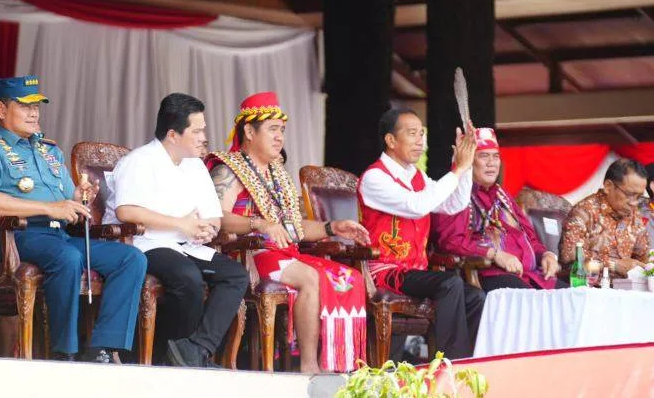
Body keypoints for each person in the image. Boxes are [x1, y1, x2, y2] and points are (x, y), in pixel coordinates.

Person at [0, 75, 146, 363]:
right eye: (25, 106)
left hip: (57, 236)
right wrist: (48, 208)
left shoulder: (48, 150)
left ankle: (102, 349)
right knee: (67, 258)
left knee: (130, 258)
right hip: (12, 236)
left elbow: (67, 197)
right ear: (1, 109)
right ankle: (64, 352)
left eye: (36, 106)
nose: (34, 113)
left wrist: (81, 196)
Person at [207, 91, 370, 373]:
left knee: (349, 277)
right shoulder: (228, 170)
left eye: (282, 130)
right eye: (272, 129)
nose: (280, 137)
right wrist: (259, 224)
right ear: (249, 131)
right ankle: (308, 366)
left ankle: (340, 365)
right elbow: (217, 218)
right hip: (250, 255)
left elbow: (295, 228)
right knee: (310, 277)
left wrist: (332, 227)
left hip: (285, 253)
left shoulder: (277, 173)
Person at [103, 93, 248, 369]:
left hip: (187, 244)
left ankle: (196, 350)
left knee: (235, 275)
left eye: (203, 129)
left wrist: (208, 230)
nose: (204, 137)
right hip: (146, 244)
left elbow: (213, 216)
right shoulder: (140, 160)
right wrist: (182, 224)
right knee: (187, 277)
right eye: (197, 131)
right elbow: (127, 212)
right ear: (172, 134)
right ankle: (166, 355)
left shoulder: (195, 165)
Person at [358, 108, 483, 360]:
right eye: (412, 133)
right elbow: (418, 206)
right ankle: (450, 364)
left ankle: (467, 361)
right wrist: (457, 171)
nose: (419, 141)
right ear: (391, 140)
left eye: (421, 134)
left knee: (475, 297)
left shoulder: (417, 176)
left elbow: (453, 204)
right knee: (450, 283)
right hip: (386, 271)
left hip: (414, 271)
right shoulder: (375, 177)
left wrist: (464, 166)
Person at [431, 128, 562, 291]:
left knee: (572, 294)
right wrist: (494, 254)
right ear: (468, 161)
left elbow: (530, 237)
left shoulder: (502, 195)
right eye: (484, 156)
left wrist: (546, 255)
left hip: (531, 275)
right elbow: (451, 242)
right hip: (490, 274)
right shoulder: (456, 195)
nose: (491, 163)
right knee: (531, 299)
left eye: (496, 156)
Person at [560, 158, 649, 277]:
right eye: (629, 195)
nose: (634, 203)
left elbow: (644, 258)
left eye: (639, 197)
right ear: (608, 186)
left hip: (626, 287)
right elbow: (569, 259)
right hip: (587, 286)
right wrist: (613, 265)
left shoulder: (634, 215)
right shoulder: (585, 212)